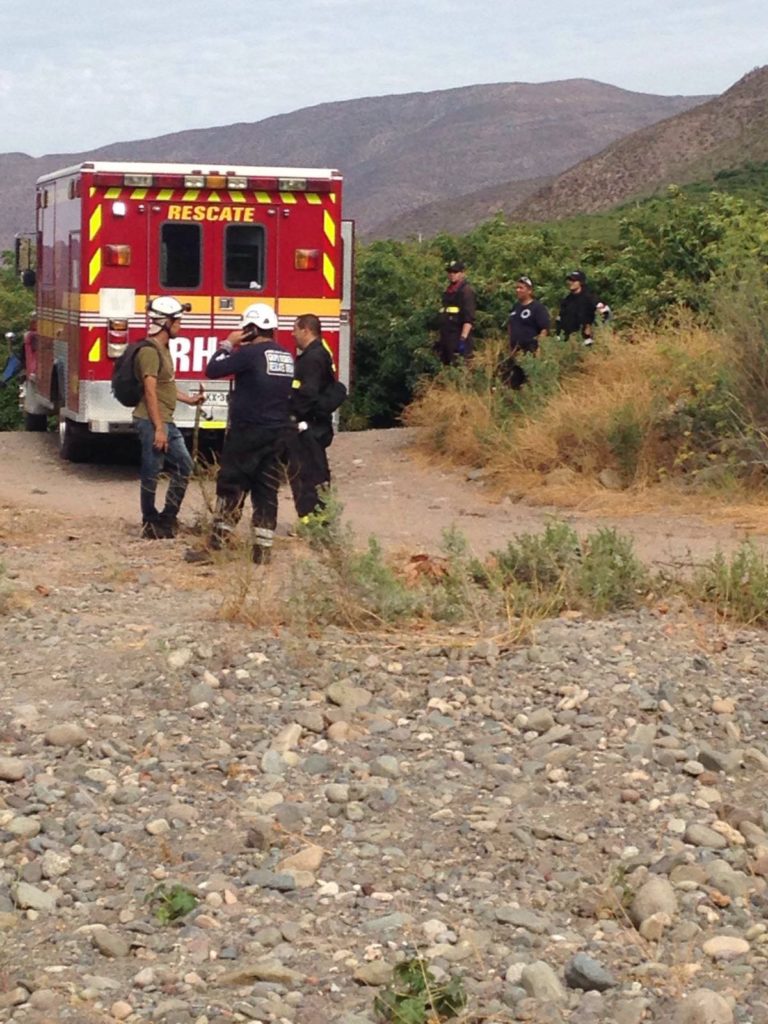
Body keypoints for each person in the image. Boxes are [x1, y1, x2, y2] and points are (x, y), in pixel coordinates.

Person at [186, 303, 295, 565]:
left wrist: (227, 344)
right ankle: (262, 550)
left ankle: (217, 546)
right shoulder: (285, 356)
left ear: (251, 329)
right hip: (278, 433)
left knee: (231, 485)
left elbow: (212, 370)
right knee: (266, 490)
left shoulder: (251, 353)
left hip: (248, 430)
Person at [133, 296, 205, 540]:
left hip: (164, 420)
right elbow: (150, 390)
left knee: (184, 465)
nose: (180, 326)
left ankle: (167, 516)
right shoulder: (149, 352)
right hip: (152, 420)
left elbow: (166, 387)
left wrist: (190, 400)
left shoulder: (163, 350)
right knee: (151, 470)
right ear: (165, 322)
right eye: (177, 321)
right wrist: (159, 428)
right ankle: (150, 521)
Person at [288, 313, 345, 521]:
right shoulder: (319, 353)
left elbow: (308, 393)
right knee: (315, 472)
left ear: (306, 330)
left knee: (306, 474)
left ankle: (312, 520)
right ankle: (318, 518)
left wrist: (293, 415)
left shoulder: (312, 358)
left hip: (308, 427)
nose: (292, 334)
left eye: (295, 329)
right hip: (315, 425)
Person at [501, 276, 551, 389]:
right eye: (517, 288)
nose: (518, 290)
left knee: (529, 380)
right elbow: (510, 325)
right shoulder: (516, 307)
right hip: (515, 350)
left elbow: (544, 329)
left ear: (529, 290)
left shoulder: (537, 308)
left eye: (521, 288)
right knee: (512, 380)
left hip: (530, 350)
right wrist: (510, 347)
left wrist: (539, 348)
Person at [436, 259, 476, 365]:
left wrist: (463, 340)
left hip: (458, 339)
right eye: (450, 272)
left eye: (455, 272)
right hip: (447, 339)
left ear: (462, 273)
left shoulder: (466, 291)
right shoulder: (448, 291)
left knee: (460, 369)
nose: (452, 274)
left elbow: (469, 319)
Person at [556, 270, 598, 345]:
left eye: (574, 280)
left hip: (587, 341)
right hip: (570, 341)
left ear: (581, 282)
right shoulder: (567, 300)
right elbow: (560, 319)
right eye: (569, 280)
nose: (570, 282)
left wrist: (592, 328)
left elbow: (605, 313)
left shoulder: (590, 298)